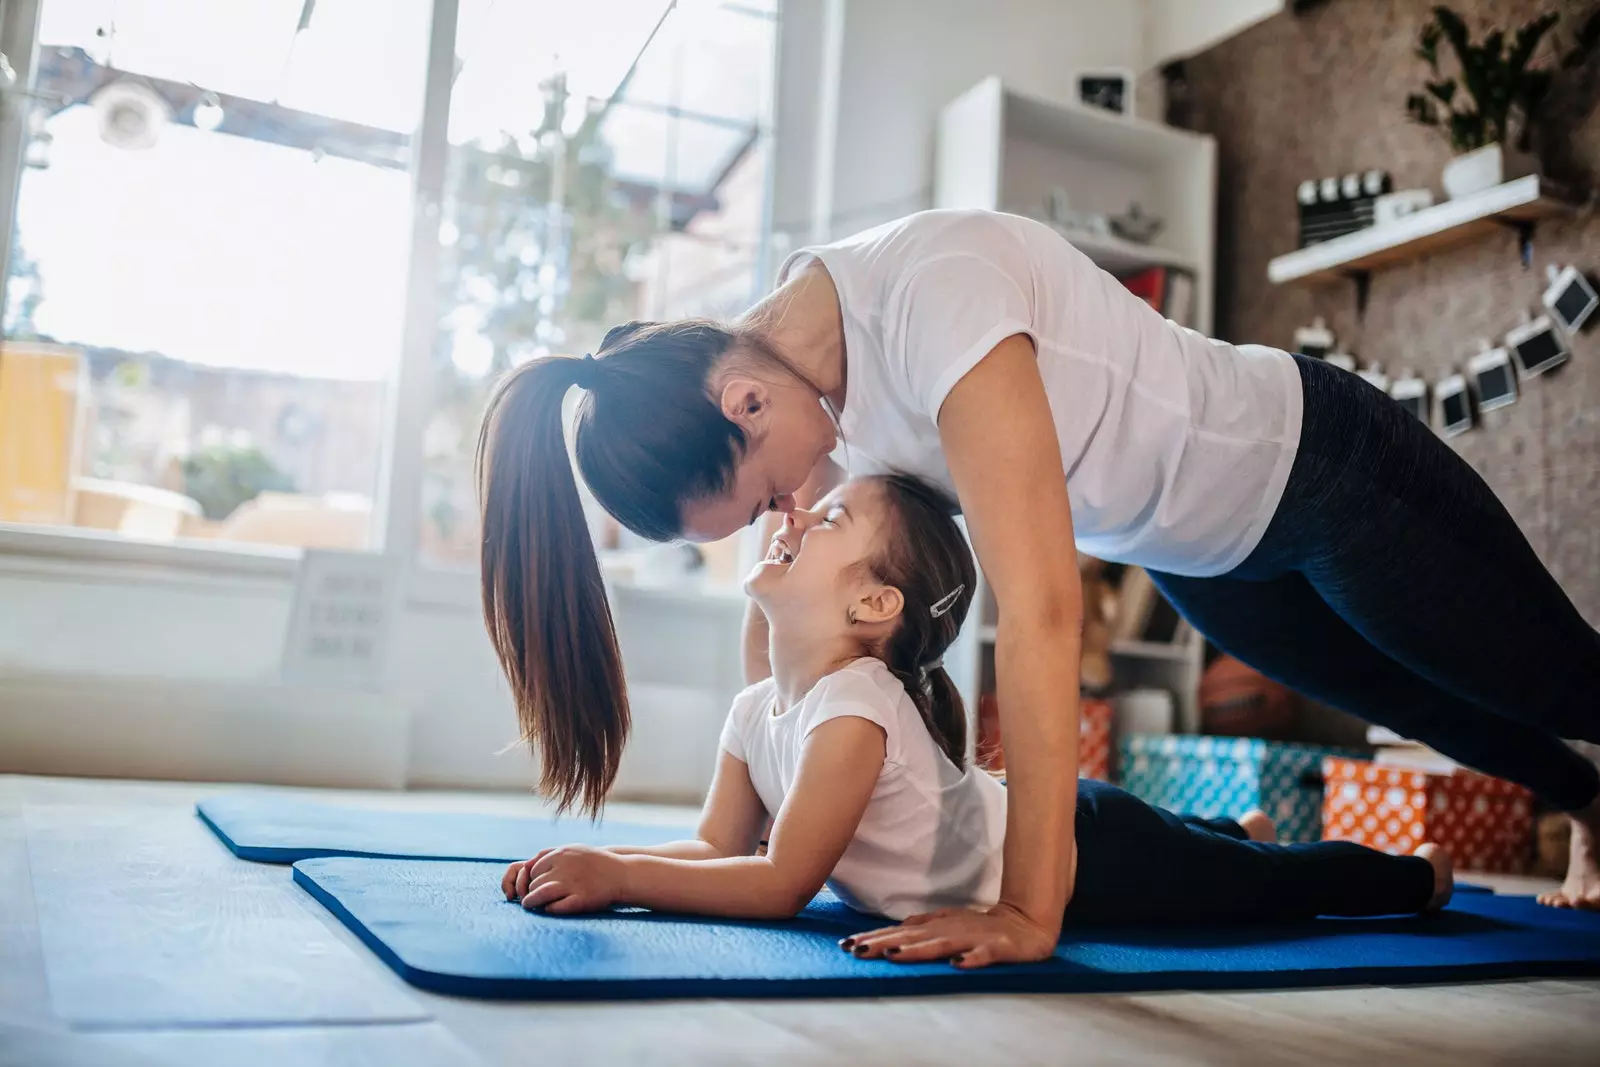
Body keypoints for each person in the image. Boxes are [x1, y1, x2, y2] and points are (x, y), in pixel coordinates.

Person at [477, 208, 1600, 969]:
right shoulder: (794, 375)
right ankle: (1592, 808)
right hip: (1202, 552)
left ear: (744, 406)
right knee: (1430, 703)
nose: (790, 514)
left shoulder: (930, 300)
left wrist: (1029, 904)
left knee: (1549, 674)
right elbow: (800, 614)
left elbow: (1046, 608)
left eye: (770, 493)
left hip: (1319, 468)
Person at [500, 474, 1453, 943]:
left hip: (1089, 854)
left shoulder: (853, 708)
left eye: (826, 518)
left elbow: (783, 881)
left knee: (1273, 896)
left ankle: (1414, 879)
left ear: (877, 607)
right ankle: (1226, 826)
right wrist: (597, 862)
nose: (794, 516)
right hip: (1052, 819)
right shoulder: (759, 709)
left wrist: (618, 874)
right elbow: (719, 848)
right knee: (1218, 852)